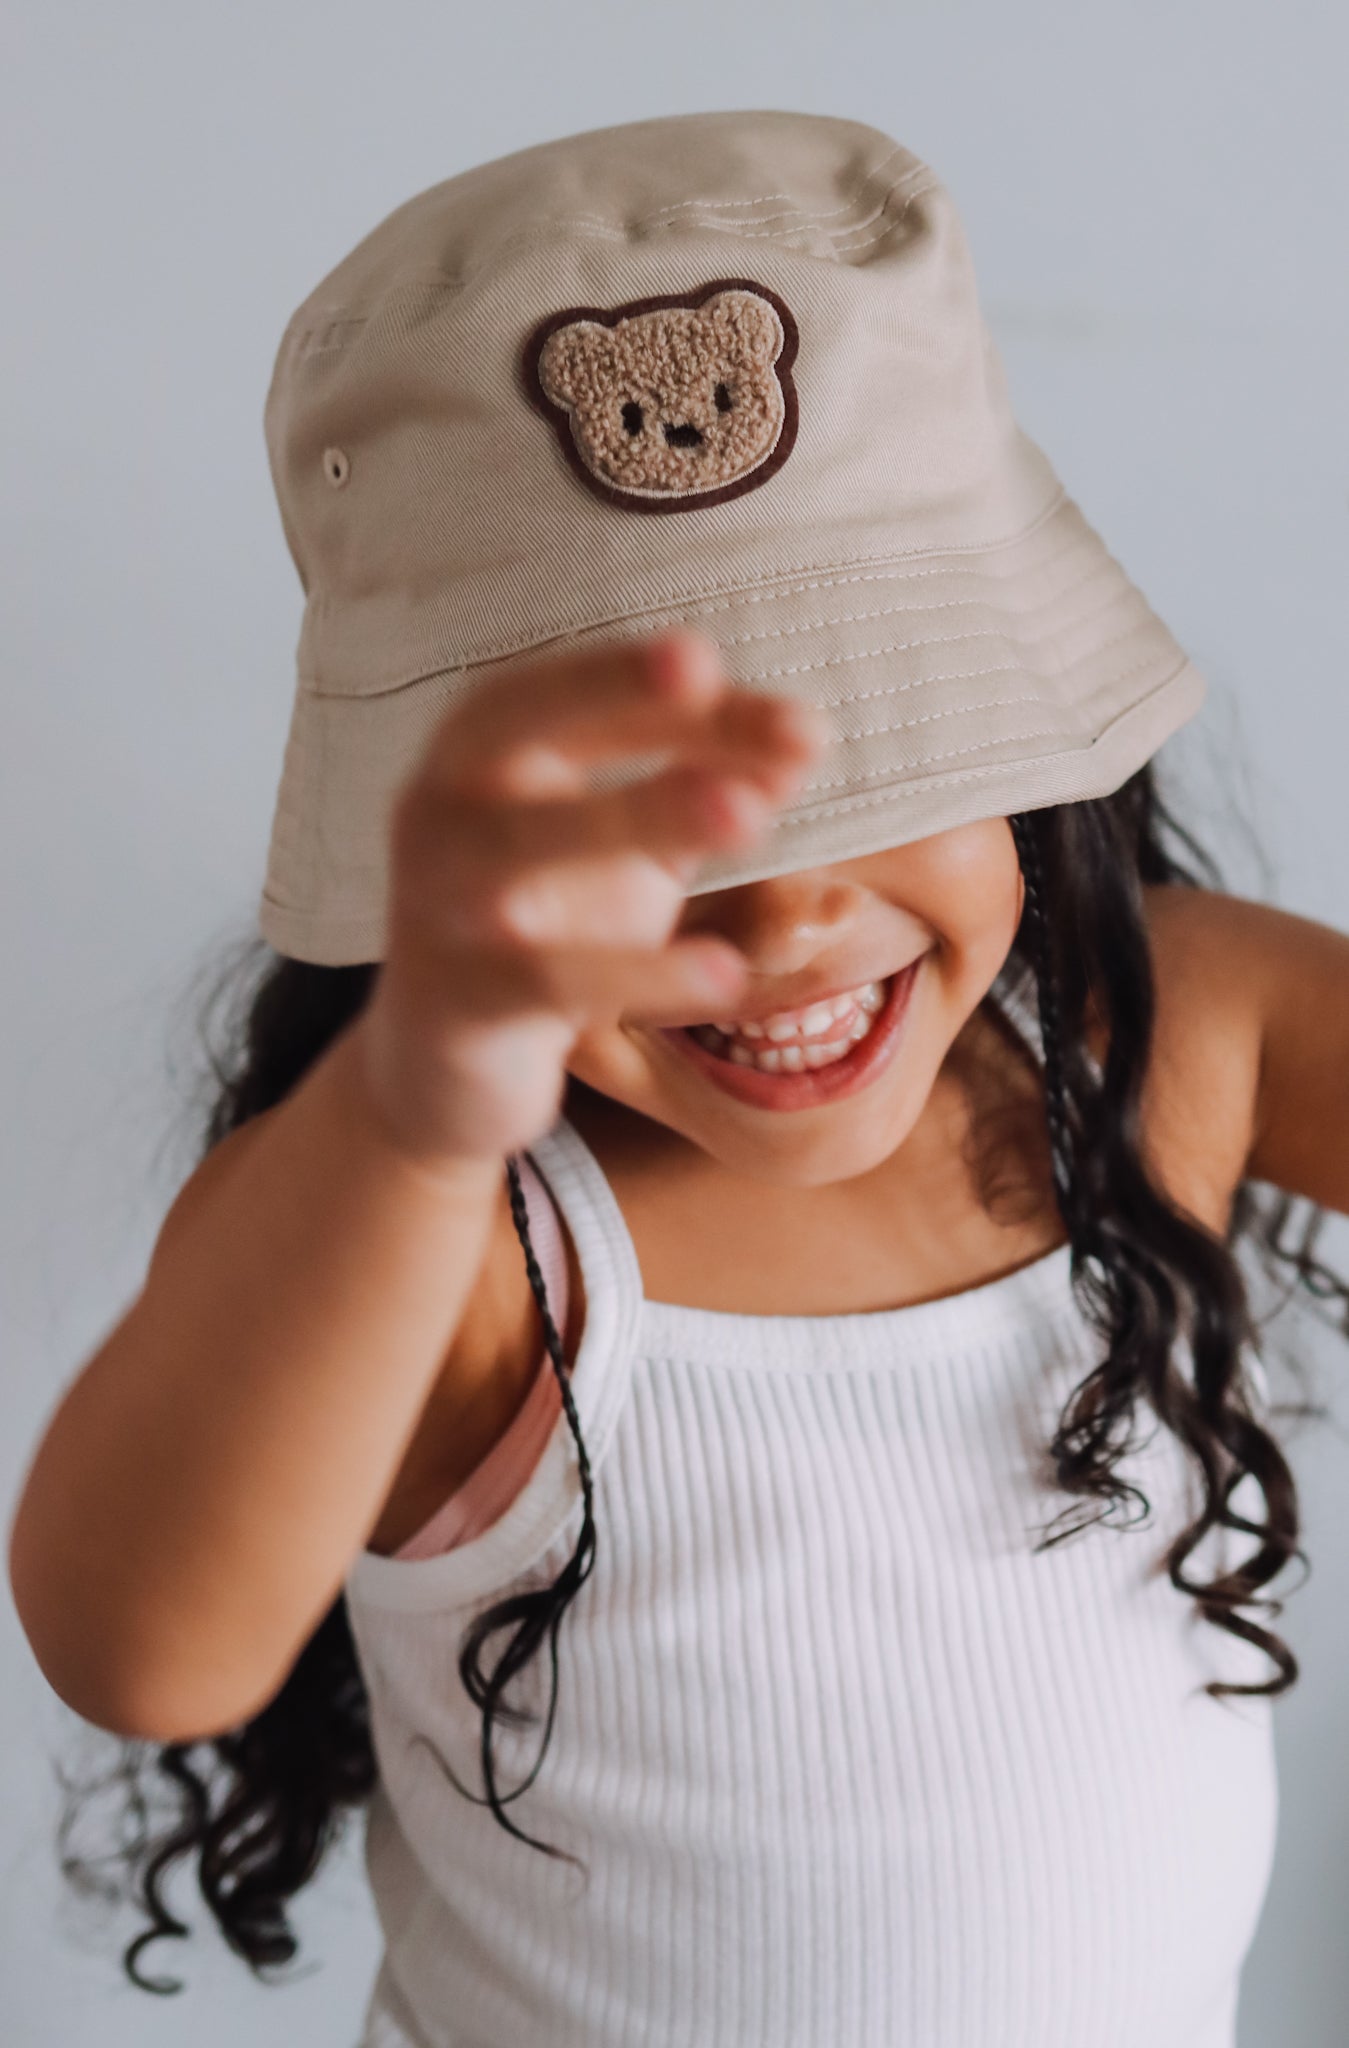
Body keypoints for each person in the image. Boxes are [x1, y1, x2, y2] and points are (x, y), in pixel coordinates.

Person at [10, 108, 1349, 2048]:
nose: (791, 901)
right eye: (643, 826)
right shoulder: (463, 1250)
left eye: (878, 737)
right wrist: (411, 1105)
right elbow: (140, 1647)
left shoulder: (1173, 1046)